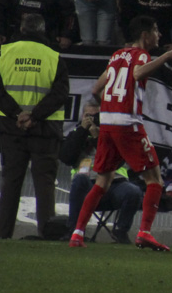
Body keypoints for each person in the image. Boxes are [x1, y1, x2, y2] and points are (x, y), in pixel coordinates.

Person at [69, 15, 172, 249]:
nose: (159, 35)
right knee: (155, 179)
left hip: (109, 123)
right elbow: (136, 74)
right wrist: (165, 57)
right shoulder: (141, 55)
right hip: (127, 124)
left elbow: (96, 88)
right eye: (156, 30)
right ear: (145, 35)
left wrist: (111, 106)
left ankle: (77, 233)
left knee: (103, 180)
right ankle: (144, 232)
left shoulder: (116, 56)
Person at [0, 13, 69, 239]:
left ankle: (2, 236)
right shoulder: (54, 57)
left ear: (21, 29)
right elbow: (60, 94)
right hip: (45, 130)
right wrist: (35, 116)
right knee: (45, 186)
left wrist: (17, 114)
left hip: (11, 128)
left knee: (10, 183)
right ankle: (47, 235)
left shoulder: (3, 54)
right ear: (42, 31)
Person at [59, 98, 142, 243]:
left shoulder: (114, 134)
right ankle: (74, 231)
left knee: (133, 191)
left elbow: (116, 159)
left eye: (95, 116)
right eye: (87, 116)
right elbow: (66, 157)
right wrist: (82, 132)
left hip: (114, 183)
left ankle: (121, 232)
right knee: (79, 179)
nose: (91, 120)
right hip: (86, 185)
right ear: (82, 116)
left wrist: (98, 136)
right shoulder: (75, 134)